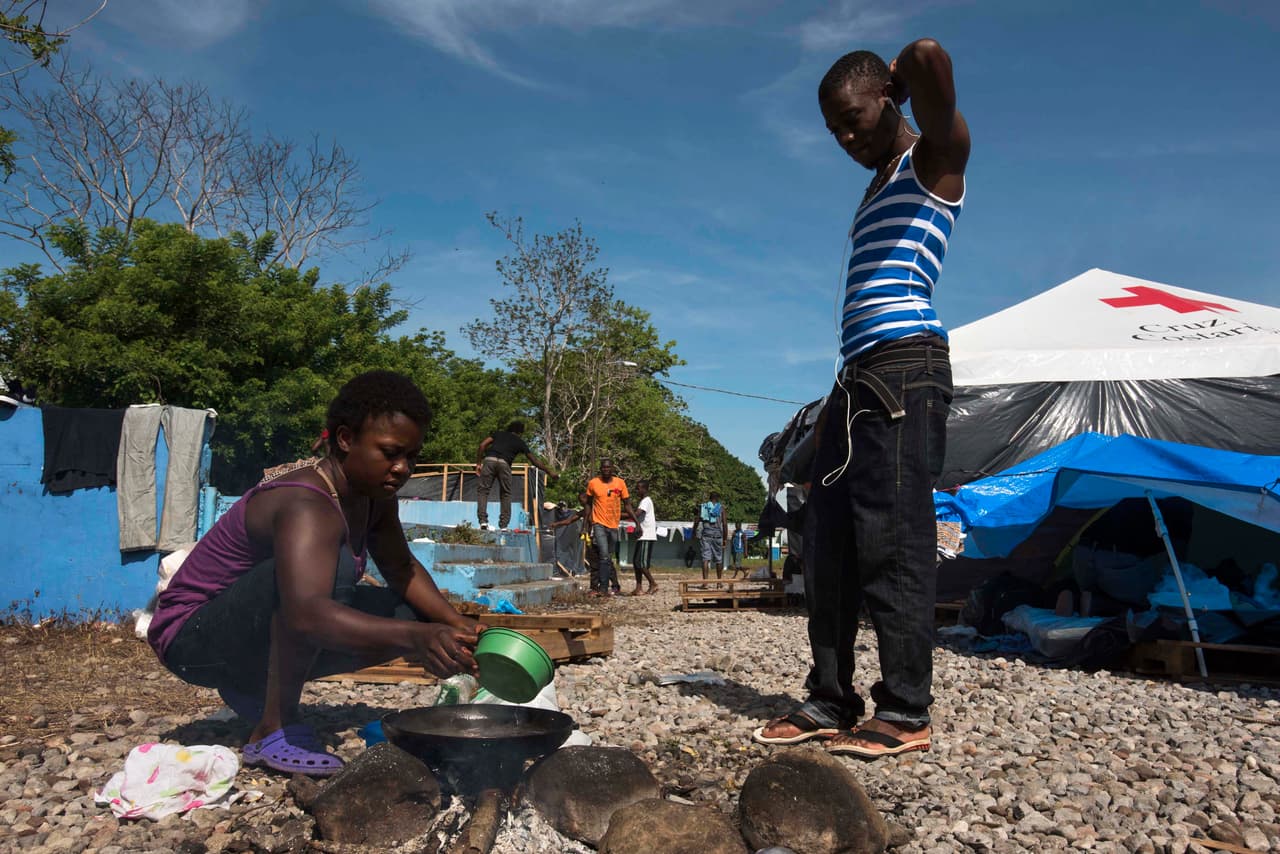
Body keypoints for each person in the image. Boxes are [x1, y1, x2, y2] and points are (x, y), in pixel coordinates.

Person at [752, 40, 969, 760]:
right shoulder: (877, 183)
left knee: (894, 540)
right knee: (829, 540)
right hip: (856, 377)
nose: (846, 139)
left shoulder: (933, 160)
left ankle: (905, 711)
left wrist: (910, 71)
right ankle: (829, 698)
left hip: (907, 370)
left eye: (854, 119)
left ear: (889, 97)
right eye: (834, 131)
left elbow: (934, 66)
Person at [148, 371, 482, 777]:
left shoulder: (374, 499)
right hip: (190, 641)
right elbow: (306, 613)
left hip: (249, 630)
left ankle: (251, 683)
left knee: (412, 611)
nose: (402, 468)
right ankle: (274, 730)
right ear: (345, 439)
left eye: (411, 456)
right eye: (390, 452)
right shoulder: (306, 502)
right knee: (334, 573)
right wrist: (418, 639)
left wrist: (459, 628)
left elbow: (401, 568)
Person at [474, 420, 558, 531]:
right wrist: (549, 472)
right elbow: (534, 461)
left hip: (489, 461)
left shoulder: (498, 434)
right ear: (520, 432)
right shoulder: (520, 442)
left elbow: (482, 445)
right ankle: (503, 526)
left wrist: (479, 464)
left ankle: (483, 522)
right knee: (505, 494)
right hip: (505, 464)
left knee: (483, 491)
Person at [582, 459, 634, 597]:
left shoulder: (620, 483)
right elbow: (587, 505)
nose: (606, 470)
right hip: (598, 524)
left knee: (607, 557)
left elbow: (627, 505)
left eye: (608, 467)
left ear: (612, 468)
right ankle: (603, 588)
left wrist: (637, 523)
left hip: (613, 525)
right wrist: (584, 526)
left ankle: (609, 586)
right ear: (601, 469)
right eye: (603, 468)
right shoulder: (593, 483)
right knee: (604, 554)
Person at [629, 480, 659, 595]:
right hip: (642, 536)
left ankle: (653, 583)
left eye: (638, 488)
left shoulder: (646, 501)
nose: (637, 490)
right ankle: (639, 587)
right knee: (636, 562)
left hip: (647, 535)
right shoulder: (643, 501)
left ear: (645, 489)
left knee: (641, 563)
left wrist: (619, 514)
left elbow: (636, 514)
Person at [695, 491, 727, 580]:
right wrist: (724, 539)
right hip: (718, 535)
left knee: (705, 559)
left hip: (706, 535)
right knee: (719, 559)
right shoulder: (721, 508)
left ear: (710, 498)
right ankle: (719, 582)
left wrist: (694, 532)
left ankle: (705, 583)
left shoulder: (703, 507)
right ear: (717, 499)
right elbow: (724, 524)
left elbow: (697, 520)